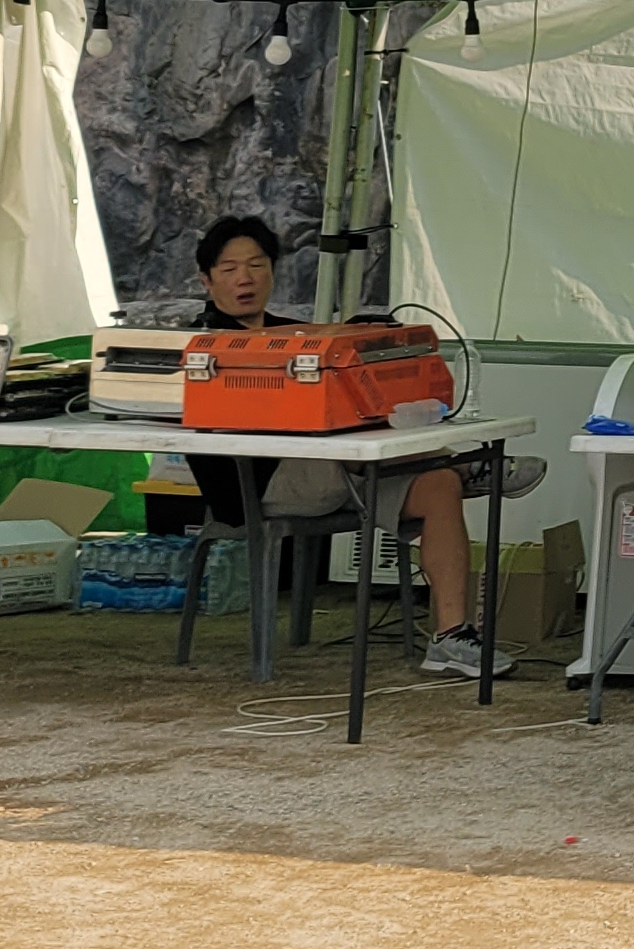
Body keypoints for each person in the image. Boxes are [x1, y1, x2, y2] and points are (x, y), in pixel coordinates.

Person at [186, 214, 537, 680]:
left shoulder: (297, 334)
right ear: (207, 281)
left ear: (272, 271)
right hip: (260, 484)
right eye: (230, 269)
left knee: (438, 486)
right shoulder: (195, 346)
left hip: (337, 473)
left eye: (256, 265)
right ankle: (470, 466)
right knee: (355, 441)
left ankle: (451, 637)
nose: (245, 278)